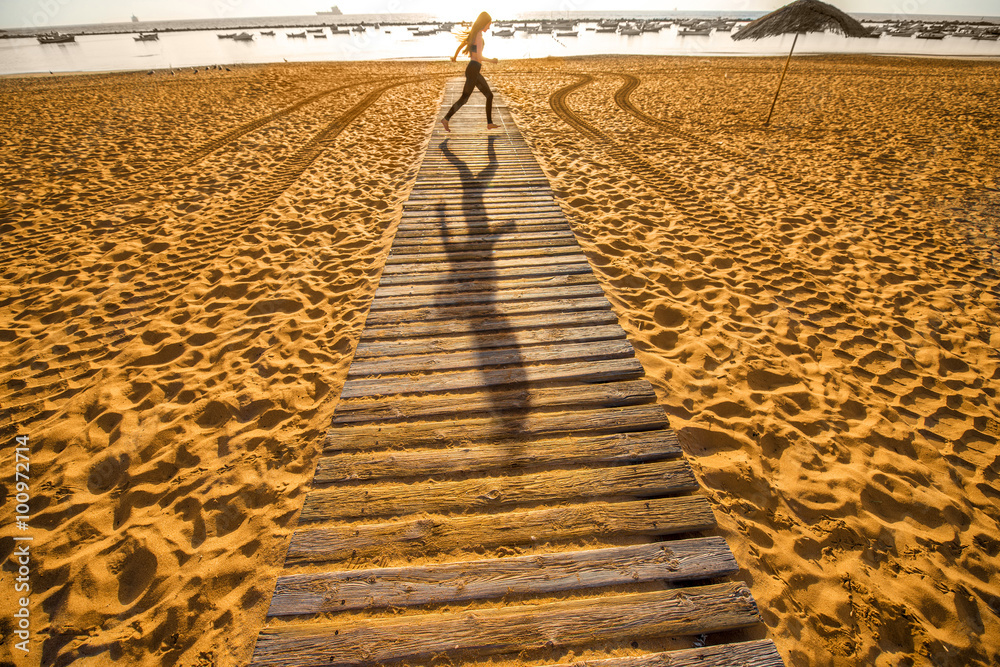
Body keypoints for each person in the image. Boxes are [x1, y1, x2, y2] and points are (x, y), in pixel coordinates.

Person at [442, 11, 499, 132]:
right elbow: (479, 57)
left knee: (488, 95)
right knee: (465, 98)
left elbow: (460, 46)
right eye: (488, 24)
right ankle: (446, 119)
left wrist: (455, 57)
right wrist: (492, 60)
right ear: (484, 23)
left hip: (473, 70)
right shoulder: (478, 35)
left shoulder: (473, 34)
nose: (489, 27)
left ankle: (489, 123)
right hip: (473, 69)